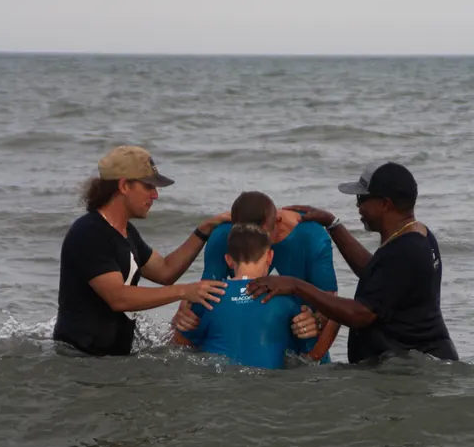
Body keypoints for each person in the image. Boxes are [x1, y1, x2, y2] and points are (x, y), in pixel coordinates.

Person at [247, 162, 459, 364]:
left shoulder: (406, 250)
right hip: (417, 358)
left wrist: (295, 285)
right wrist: (332, 224)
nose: (358, 207)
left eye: (361, 199)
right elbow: (377, 274)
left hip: (414, 366)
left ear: (385, 204)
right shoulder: (416, 234)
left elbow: (360, 315)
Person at [54, 145, 228, 356]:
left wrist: (204, 231)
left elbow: (165, 271)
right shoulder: (89, 232)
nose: (155, 195)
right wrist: (185, 291)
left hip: (108, 361)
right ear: (124, 185)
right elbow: (118, 297)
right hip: (80, 359)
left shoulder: (125, 231)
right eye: (149, 186)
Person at [173, 190, 340, 361]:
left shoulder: (312, 237)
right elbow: (202, 296)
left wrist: (317, 321)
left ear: (278, 222)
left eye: (262, 234)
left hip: (299, 329)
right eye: (244, 234)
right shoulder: (225, 235)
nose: (252, 240)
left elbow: (330, 303)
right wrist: (184, 314)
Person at [175, 223, 313, 369]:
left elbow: (180, 345)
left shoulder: (206, 296)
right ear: (270, 257)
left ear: (228, 260)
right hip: (268, 383)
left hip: (217, 381)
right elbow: (309, 352)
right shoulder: (285, 298)